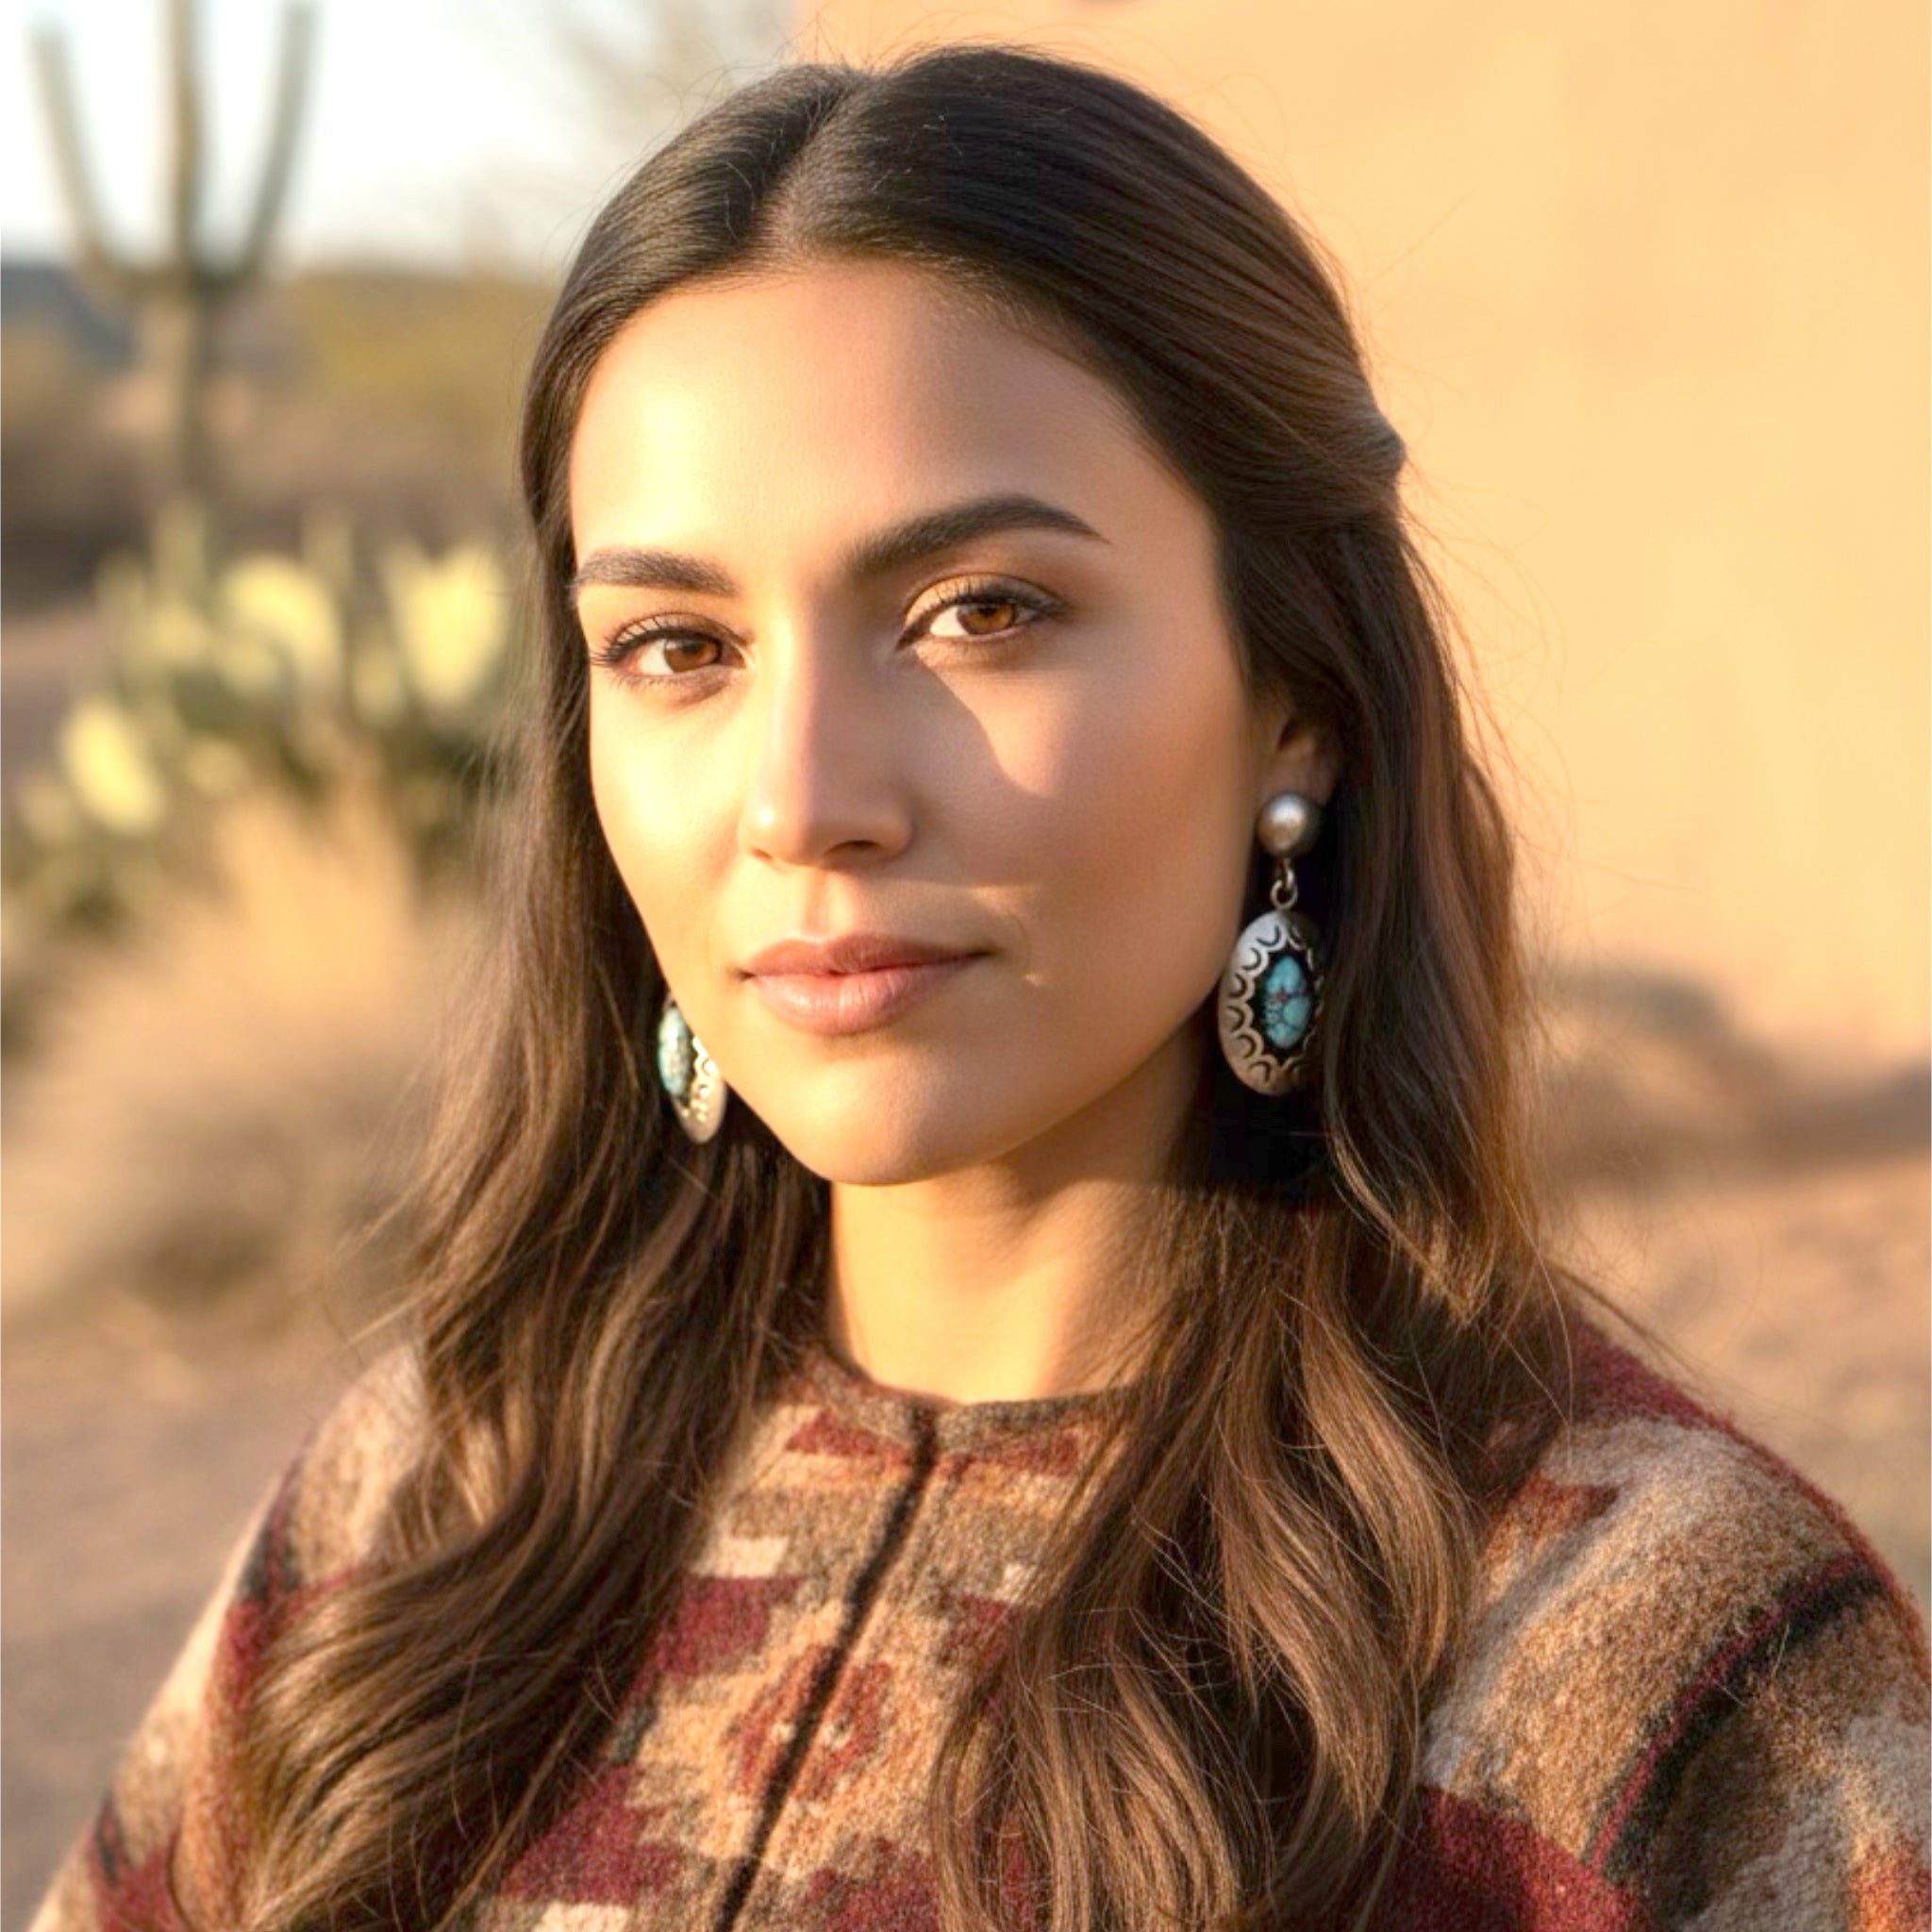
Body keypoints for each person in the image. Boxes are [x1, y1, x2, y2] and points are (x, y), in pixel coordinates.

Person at [32, 44, 1928, 1932]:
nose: (800, 800)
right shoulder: (429, 1507)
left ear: (1299, 697)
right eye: (676, 644)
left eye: (979, 614)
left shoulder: (1656, 1661)